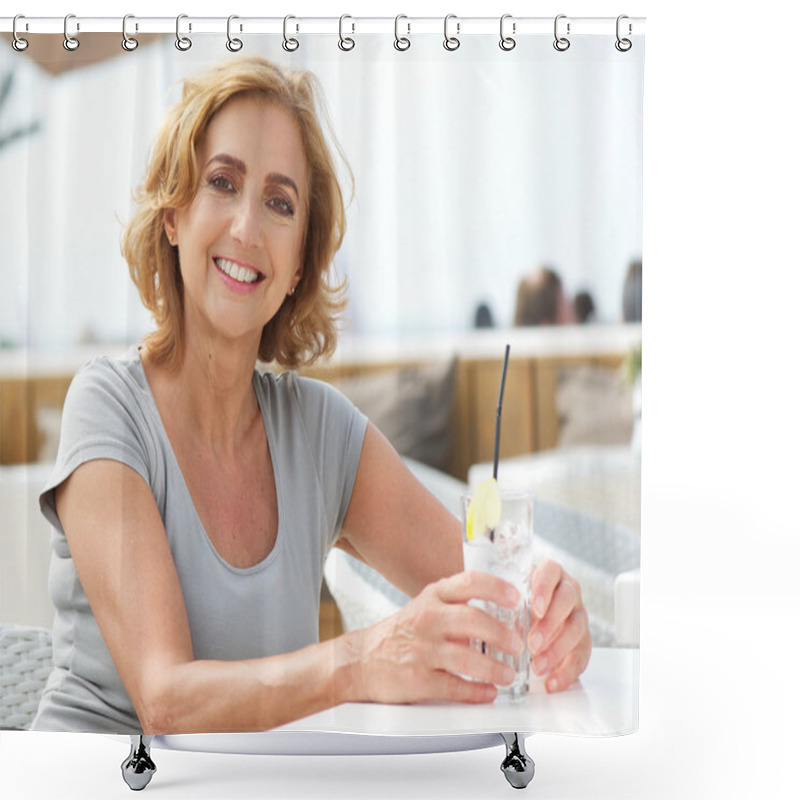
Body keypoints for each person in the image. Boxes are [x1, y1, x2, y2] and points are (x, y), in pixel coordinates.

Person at [32, 57, 591, 735]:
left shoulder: (320, 433)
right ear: (174, 212)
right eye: (222, 183)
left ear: (299, 262)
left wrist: (552, 619)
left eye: (279, 202)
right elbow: (165, 698)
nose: (246, 226)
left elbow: (497, 602)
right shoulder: (108, 406)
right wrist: (362, 662)